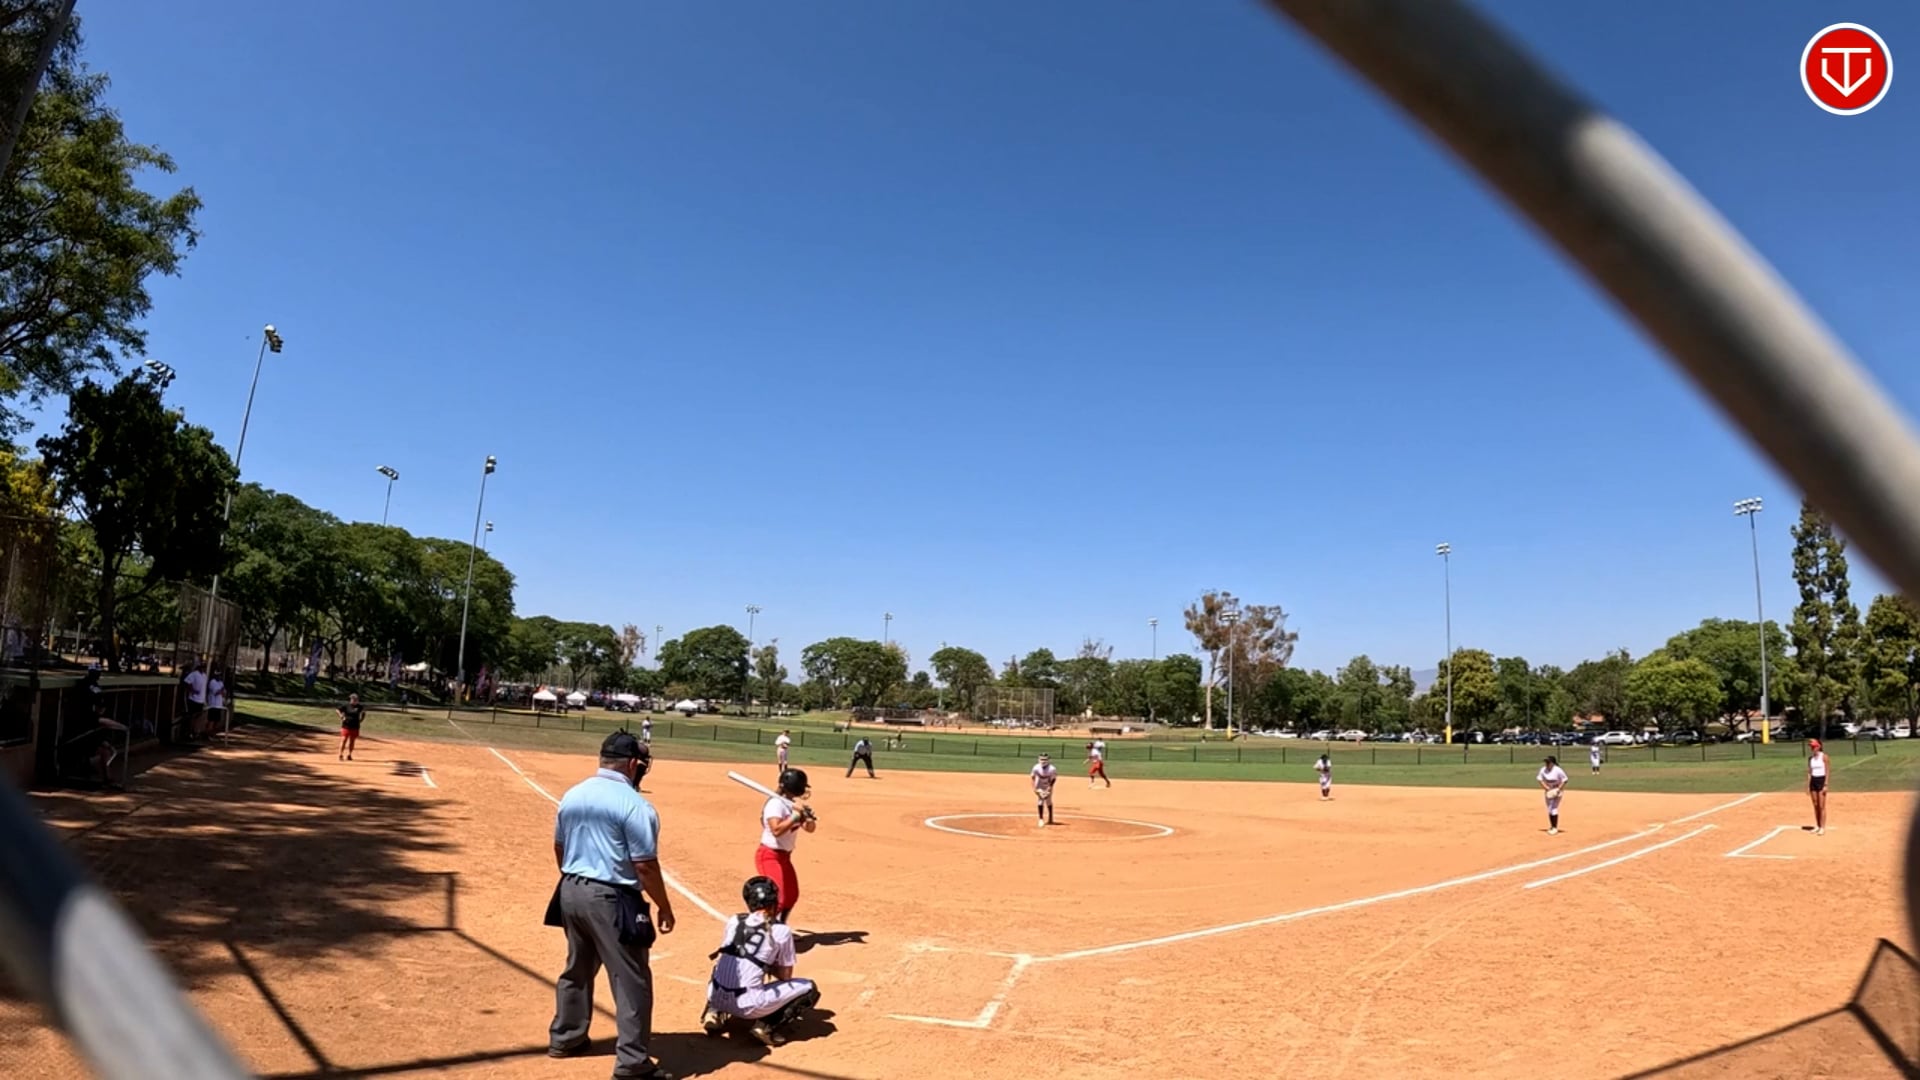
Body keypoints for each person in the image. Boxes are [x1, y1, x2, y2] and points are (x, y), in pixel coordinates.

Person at [549, 732, 677, 1079]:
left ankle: (566, 1037)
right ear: (634, 764)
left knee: (577, 967)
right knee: (632, 979)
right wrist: (664, 906)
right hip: (612, 898)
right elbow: (644, 865)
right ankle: (632, 1064)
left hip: (571, 889)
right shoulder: (635, 805)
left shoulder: (573, 794)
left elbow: (559, 847)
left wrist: (576, 879)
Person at [700, 876, 822, 1047]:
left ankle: (713, 1012)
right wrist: (766, 965)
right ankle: (766, 1026)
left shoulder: (734, 920)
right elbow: (785, 976)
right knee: (809, 988)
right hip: (749, 1006)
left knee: (724, 964)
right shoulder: (781, 931)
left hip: (714, 995)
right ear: (774, 902)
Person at [755, 768, 814, 923]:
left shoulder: (792, 805)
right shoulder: (775, 804)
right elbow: (776, 830)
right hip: (769, 855)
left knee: (791, 896)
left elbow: (810, 829)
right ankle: (761, 929)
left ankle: (780, 926)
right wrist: (795, 817)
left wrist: (807, 818)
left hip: (785, 857)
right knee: (777, 898)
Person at [1538, 755, 1569, 835]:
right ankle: (1552, 827)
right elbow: (1540, 779)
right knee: (1550, 808)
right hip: (1549, 791)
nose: (1546, 764)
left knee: (1554, 808)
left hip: (1557, 791)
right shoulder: (1543, 770)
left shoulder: (1558, 770)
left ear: (1552, 763)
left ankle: (1554, 828)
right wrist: (1546, 788)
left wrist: (1559, 789)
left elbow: (1565, 780)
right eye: (1546, 762)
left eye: (1548, 762)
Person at [1807, 738, 1829, 835]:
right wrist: (1808, 785)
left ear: (1819, 747)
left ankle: (1822, 827)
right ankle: (1818, 825)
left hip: (1821, 780)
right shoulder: (1810, 759)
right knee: (1815, 805)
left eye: (1814, 746)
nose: (1812, 748)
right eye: (1811, 747)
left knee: (1821, 806)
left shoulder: (1824, 757)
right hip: (1813, 781)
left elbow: (1827, 771)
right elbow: (1809, 772)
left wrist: (1826, 784)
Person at [1030, 753, 1058, 827]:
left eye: (1045, 759)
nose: (1043, 761)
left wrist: (1049, 787)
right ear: (1038, 759)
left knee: (1049, 801)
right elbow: (1032, 777)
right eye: (1041, 759)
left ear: (1048, 760)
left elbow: (1054, 779)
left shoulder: (1052, 769)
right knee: (1040, 801)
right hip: (1039, 785)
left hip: (1048, 785)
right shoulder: (1036, 768)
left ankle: (1050, 818)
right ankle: (1041, 819)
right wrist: (1034, 788)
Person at [337, 693, 365, 761]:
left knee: (352, 741)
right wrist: (341, 716)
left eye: (356, 699)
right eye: (353, 699)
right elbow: (338, 710)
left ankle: (349, 755)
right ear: (350, 699)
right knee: (344, 740)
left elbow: (363, 712)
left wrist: (361, 719)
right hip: (346, 725)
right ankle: (340, 754)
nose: (354, 700)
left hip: (355, 726)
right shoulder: (346, 706)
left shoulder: (359, 707)